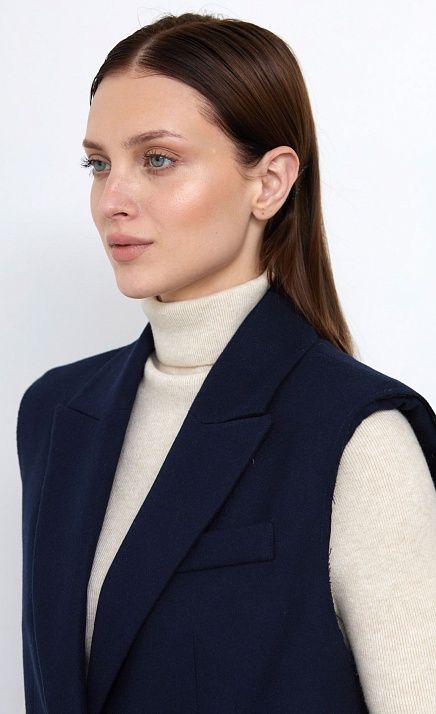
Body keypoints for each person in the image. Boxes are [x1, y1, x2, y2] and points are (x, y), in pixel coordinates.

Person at [16, 12, 436, 714]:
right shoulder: (55, 414)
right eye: (98, 164)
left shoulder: (356, 438)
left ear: (269, 183)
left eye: (158, 159)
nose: (112, 200)